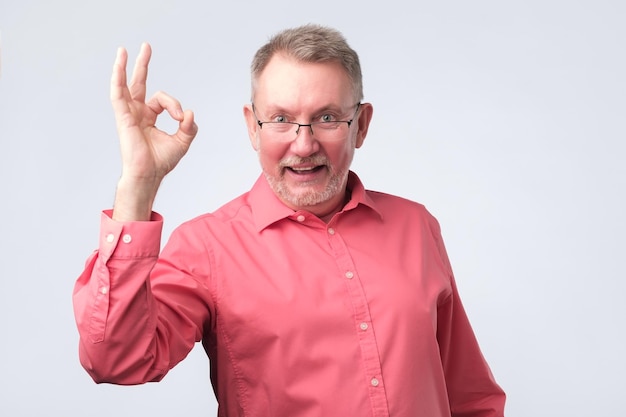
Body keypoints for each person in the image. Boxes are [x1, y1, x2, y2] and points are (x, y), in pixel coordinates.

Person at [73, 24, 506, 417]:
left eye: (327, 118)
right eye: (281, 119)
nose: (303, 144)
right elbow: (116, 360)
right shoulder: (207, 247)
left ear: (361, 124)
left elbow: (469, 396)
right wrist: (138, 183)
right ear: (252, 127)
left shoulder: (417, 227)